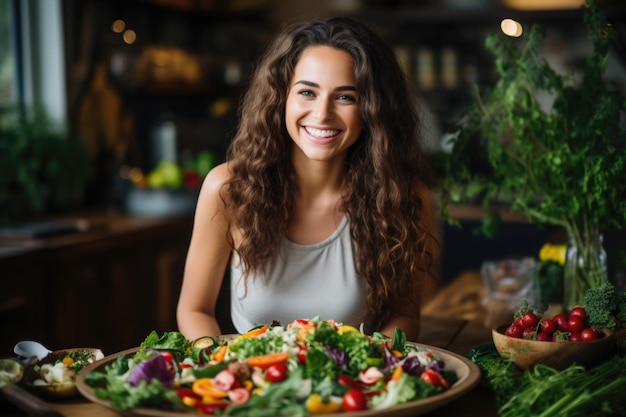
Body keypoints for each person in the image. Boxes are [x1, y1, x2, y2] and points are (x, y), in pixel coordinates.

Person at [176, 16, 439, 342]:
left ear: (373, 109)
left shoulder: (403, 197)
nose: (322, 113)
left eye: (346, 97)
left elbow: (404, 315)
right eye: (307, 92)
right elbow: (194, 310)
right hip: (251, 381)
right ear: (281, 96)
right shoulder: (228, 188)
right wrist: (218, 366)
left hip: (351, 386)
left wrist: (372, 366)